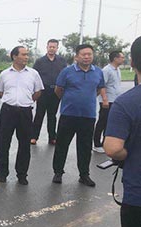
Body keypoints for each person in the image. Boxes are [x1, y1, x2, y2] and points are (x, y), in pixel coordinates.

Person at [104, 36, 141, 227]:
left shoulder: (127, 103)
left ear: (132, 62)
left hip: (138, 199)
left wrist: (129, 153)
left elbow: (113, 148)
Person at [51, 44, 106, 186]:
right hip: (68, 114)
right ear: (76, 57)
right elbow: (58, 90)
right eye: (83, 54)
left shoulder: (98, 72)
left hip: (88, 116)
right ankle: (58, 172)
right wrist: (70, 100)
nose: (87, 57)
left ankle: (84, 174)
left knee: (85, 147)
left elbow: (99, 89)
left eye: (89, 54)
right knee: (62, 144)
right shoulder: (67, 72)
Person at [0, 47, 43, 185]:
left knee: (24, 144)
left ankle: (22, 174)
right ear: (14, 56)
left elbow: (38, 92)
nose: (27, 57)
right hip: (8, 111)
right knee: (3, 143)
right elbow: (1, 92)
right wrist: (11, 101)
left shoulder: (33, 74)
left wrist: (26, 101)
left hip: (25, 112)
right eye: (23, 54)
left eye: (27, 55)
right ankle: (2, 173)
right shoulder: (5, 74)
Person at [31, 39, 67, 145]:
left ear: (57, 48)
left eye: (54, 47)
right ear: (47, 47)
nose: (51, 49)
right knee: (39, 114)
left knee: (52, 116)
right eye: (50, 47)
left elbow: (65, 76)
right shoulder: (40, 61)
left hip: (55, 92)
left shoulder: (61, 61)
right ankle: (34, 136)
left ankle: (52, 137)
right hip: (43, 92)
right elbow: (34, 76)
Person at [93, 51, 124, 153]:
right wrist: (104, 99)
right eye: (121, 57)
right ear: (115, 58)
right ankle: (96, 144)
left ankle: (105, 143)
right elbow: (102, 85)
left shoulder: (117, 69)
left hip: (115, 100)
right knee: (102, 122)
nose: (123, 59)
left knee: (109, 122)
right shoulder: (107, 70)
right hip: (107, 100)